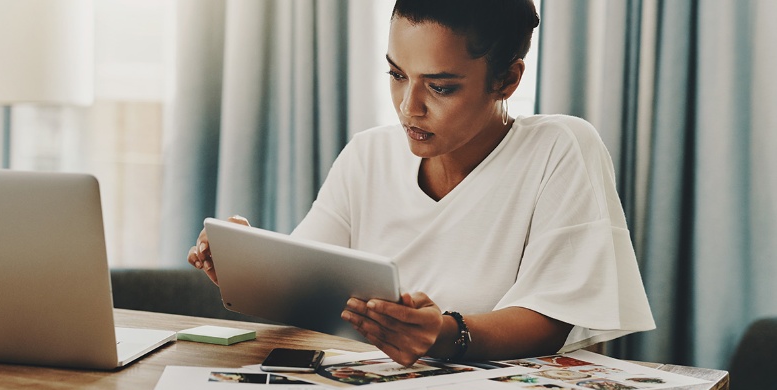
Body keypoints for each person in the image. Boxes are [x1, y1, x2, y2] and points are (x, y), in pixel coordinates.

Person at [188, 0, 655, 367]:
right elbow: (308, 285)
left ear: (507, 80)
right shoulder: (368, 154)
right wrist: (248, 268)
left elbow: (553, 319)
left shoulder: (560, 147)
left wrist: (445, 333)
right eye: (396, 74)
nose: (409, 107)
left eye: (441, 86)